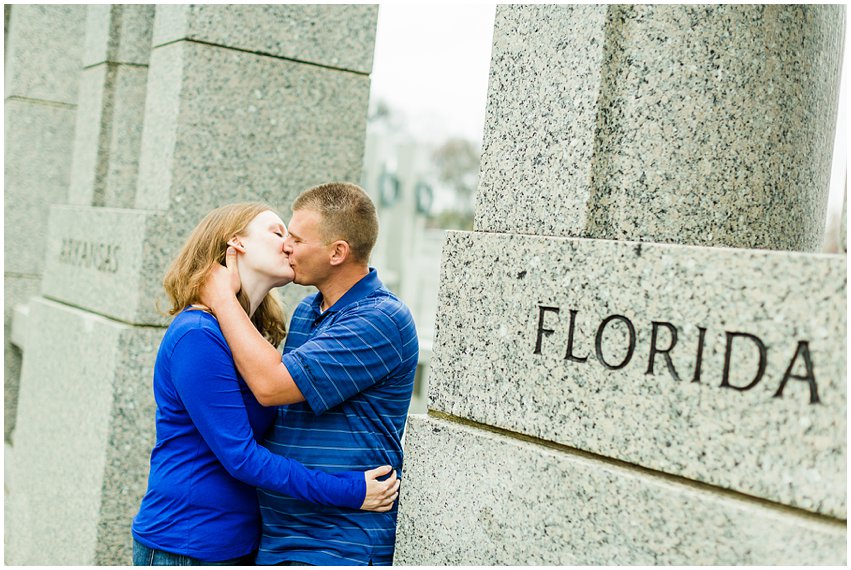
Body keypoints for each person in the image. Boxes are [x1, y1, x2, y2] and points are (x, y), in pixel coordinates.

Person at [131, 203, 400, 566]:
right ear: (236, 244)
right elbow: (241, 456)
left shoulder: (252, 338)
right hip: (187, 542)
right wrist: (350, 490)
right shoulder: (198, 334)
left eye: (293, 237)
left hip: (243, 544)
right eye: (278, 233)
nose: (289, 244)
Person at [201, 182, 419, 565]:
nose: (286, 245)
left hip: (338, 542)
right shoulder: (306, 312)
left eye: (297, 239)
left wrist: (220, 297)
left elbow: (270, 386)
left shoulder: (381, 319)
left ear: (338, 252)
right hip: (278, 539)